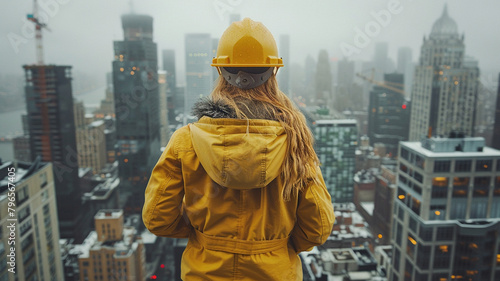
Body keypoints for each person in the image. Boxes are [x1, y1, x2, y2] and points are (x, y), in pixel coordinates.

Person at [142, 18, 335, 280]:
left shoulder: (185, 141)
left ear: (221, 71)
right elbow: (318, 227)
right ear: (272, 72)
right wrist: (278, 247)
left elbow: (157, 218)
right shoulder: (295, 143)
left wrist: (201, 236)